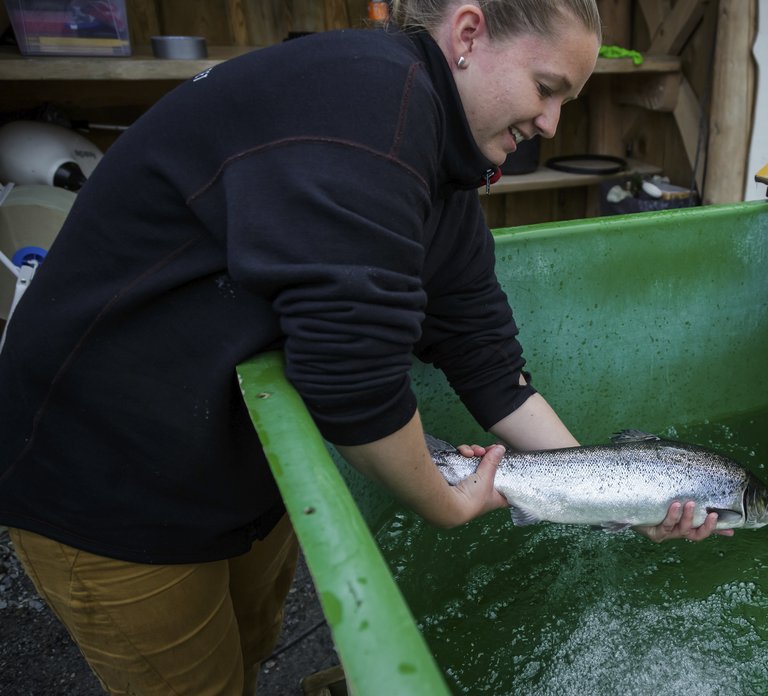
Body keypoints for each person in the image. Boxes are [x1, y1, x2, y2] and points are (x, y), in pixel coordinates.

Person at [0, 1, 727, 693]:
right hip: (107, 466)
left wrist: (620, 503)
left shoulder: (443, 167)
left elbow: (490, 366)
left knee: (250, 650)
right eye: (547, 88)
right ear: (468, 34)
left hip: (235, 449)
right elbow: (352, 382)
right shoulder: (366, 106)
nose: (551, 121)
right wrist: (445, 504)